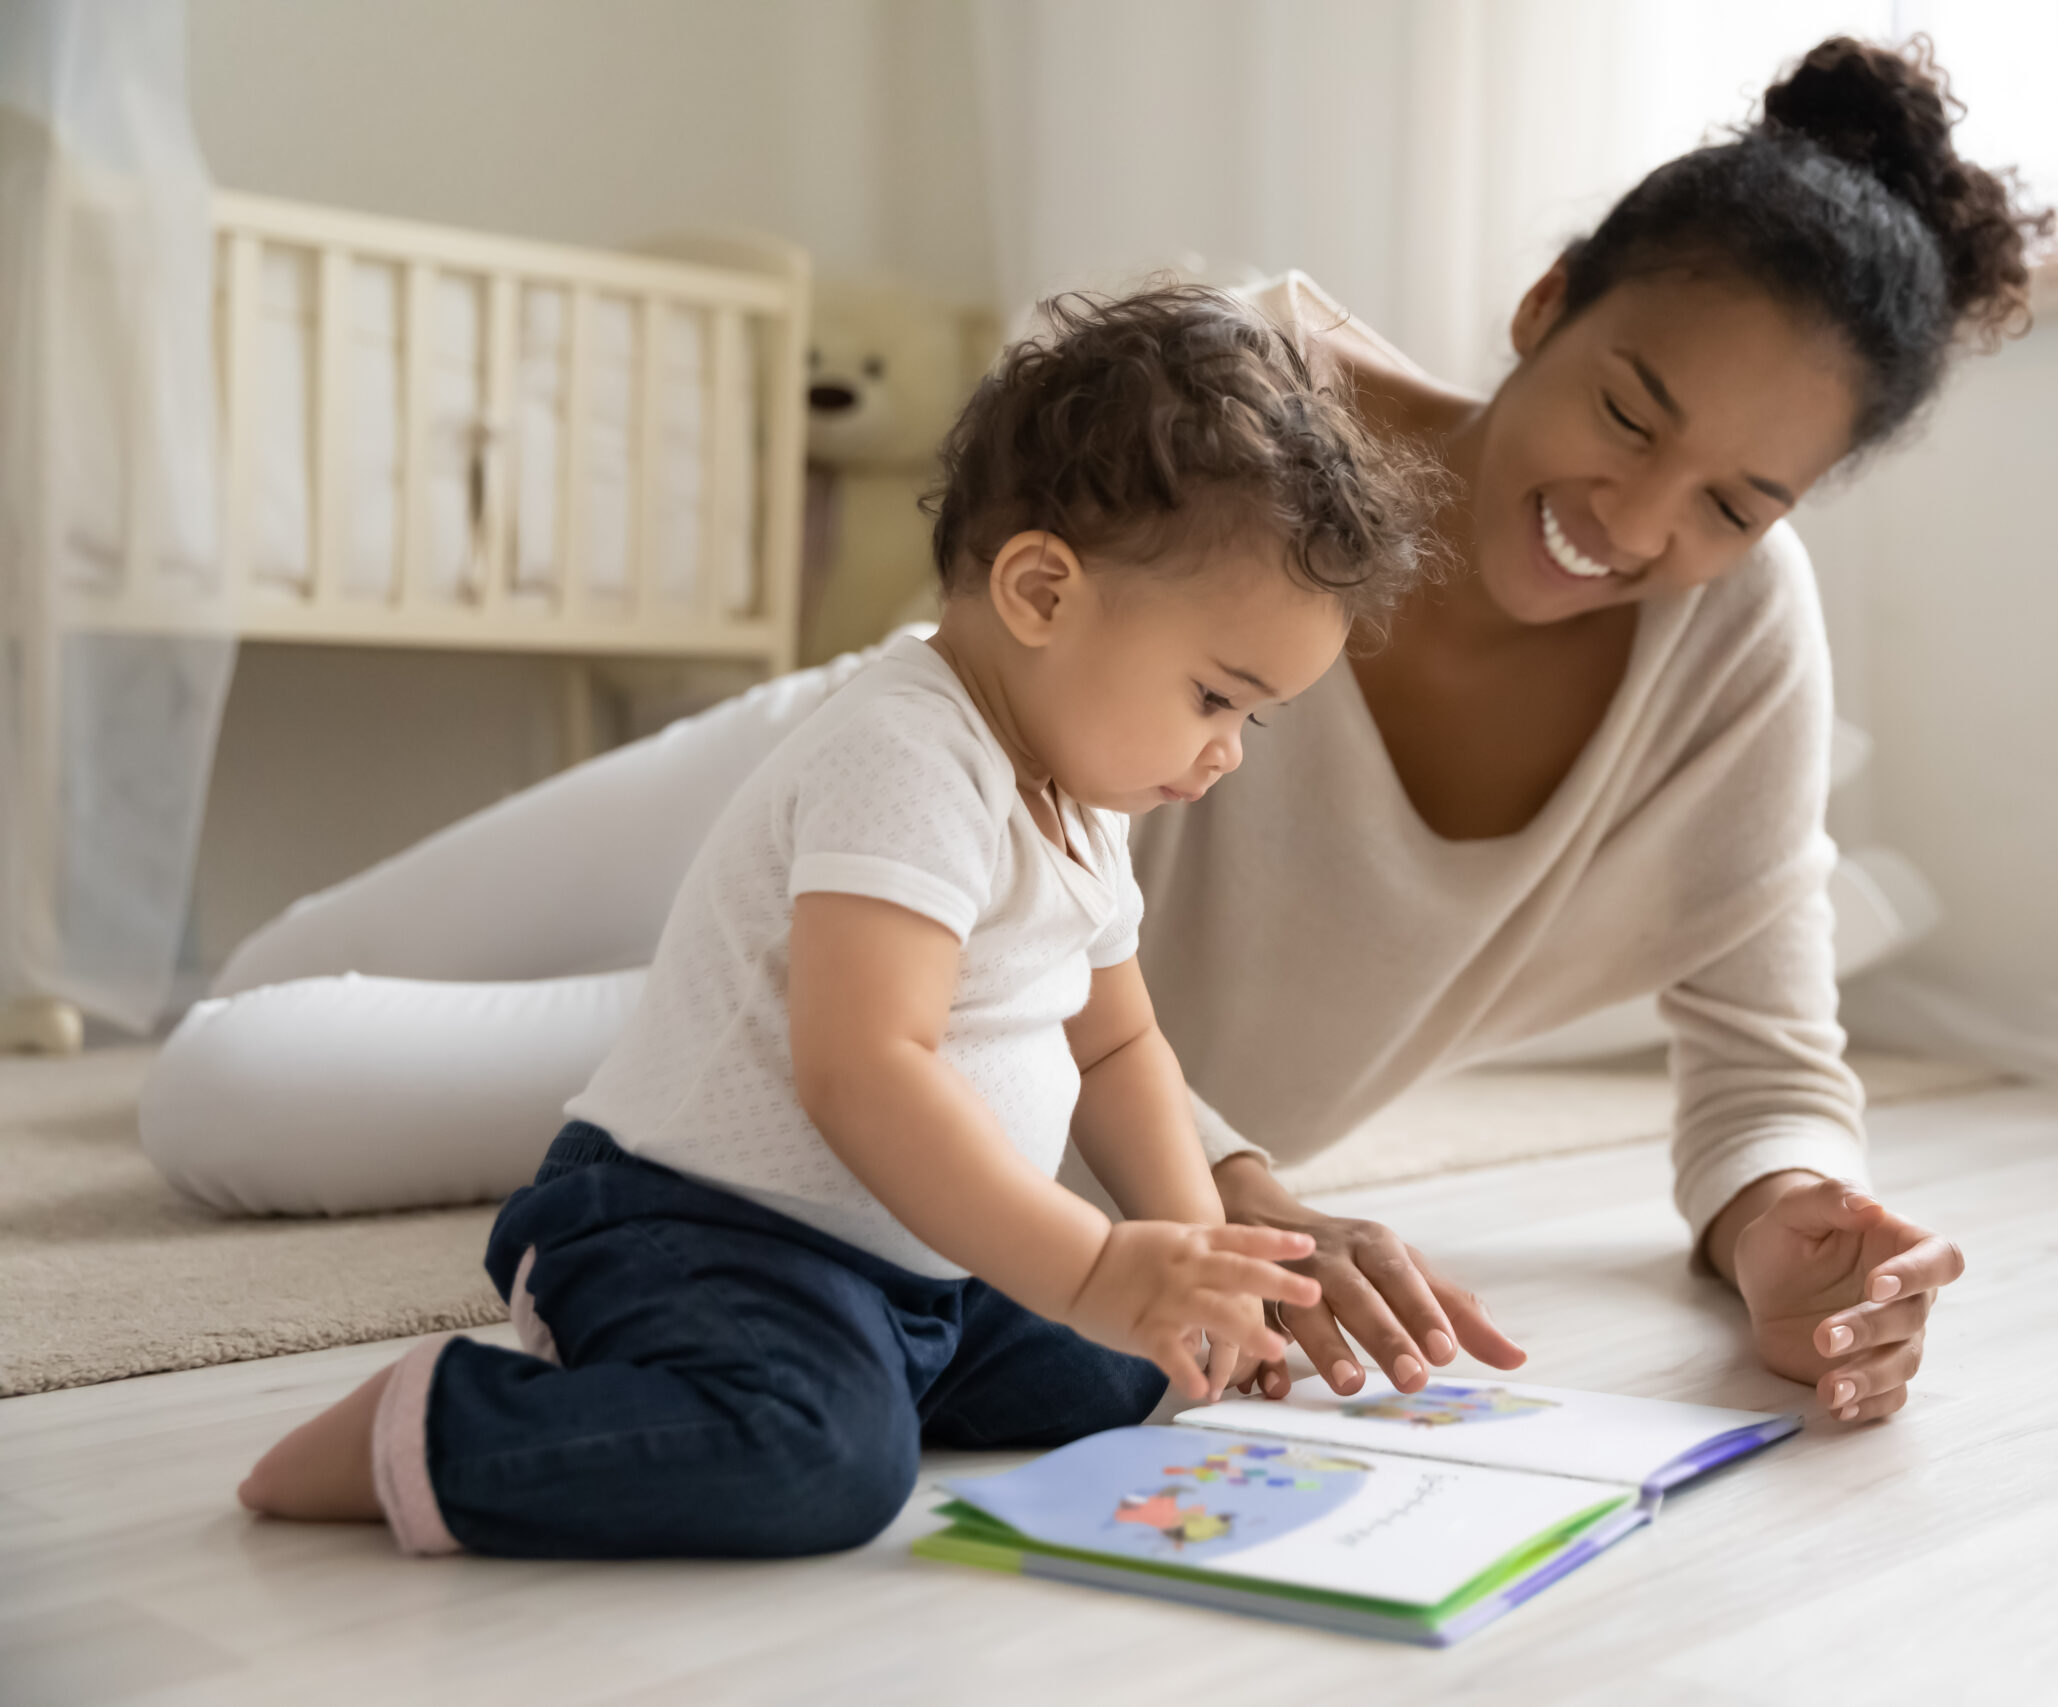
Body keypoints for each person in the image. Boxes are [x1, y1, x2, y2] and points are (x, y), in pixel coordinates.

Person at [153, 38, 2048, 1433]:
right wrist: (1243, 1186)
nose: (1641, 526)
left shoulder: (1727, 647)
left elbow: (1763, 1045)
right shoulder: (1235, 405)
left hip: (986, 1057)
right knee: (263, 1010)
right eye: (1629, 414)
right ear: (1543, 307)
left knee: (254, 1101)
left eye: (1738, 502)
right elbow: (999, 660)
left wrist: (1797, 1212)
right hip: (876, 833)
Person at [233, 285, 1438, 1556]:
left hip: (906, 1269)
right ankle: (427, 1424)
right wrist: (1092, 1272)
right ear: (1040, 589)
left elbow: (1119, 1050)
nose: (1226, 754)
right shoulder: (909, 754)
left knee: (1122, 1376)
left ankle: (881, 1366)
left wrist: (1193, 1263)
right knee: (818, 1460)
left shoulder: (1083, 807)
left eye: (1250, 718)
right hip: (694, 1231)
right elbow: (862, 1067)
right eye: (1213, 696)